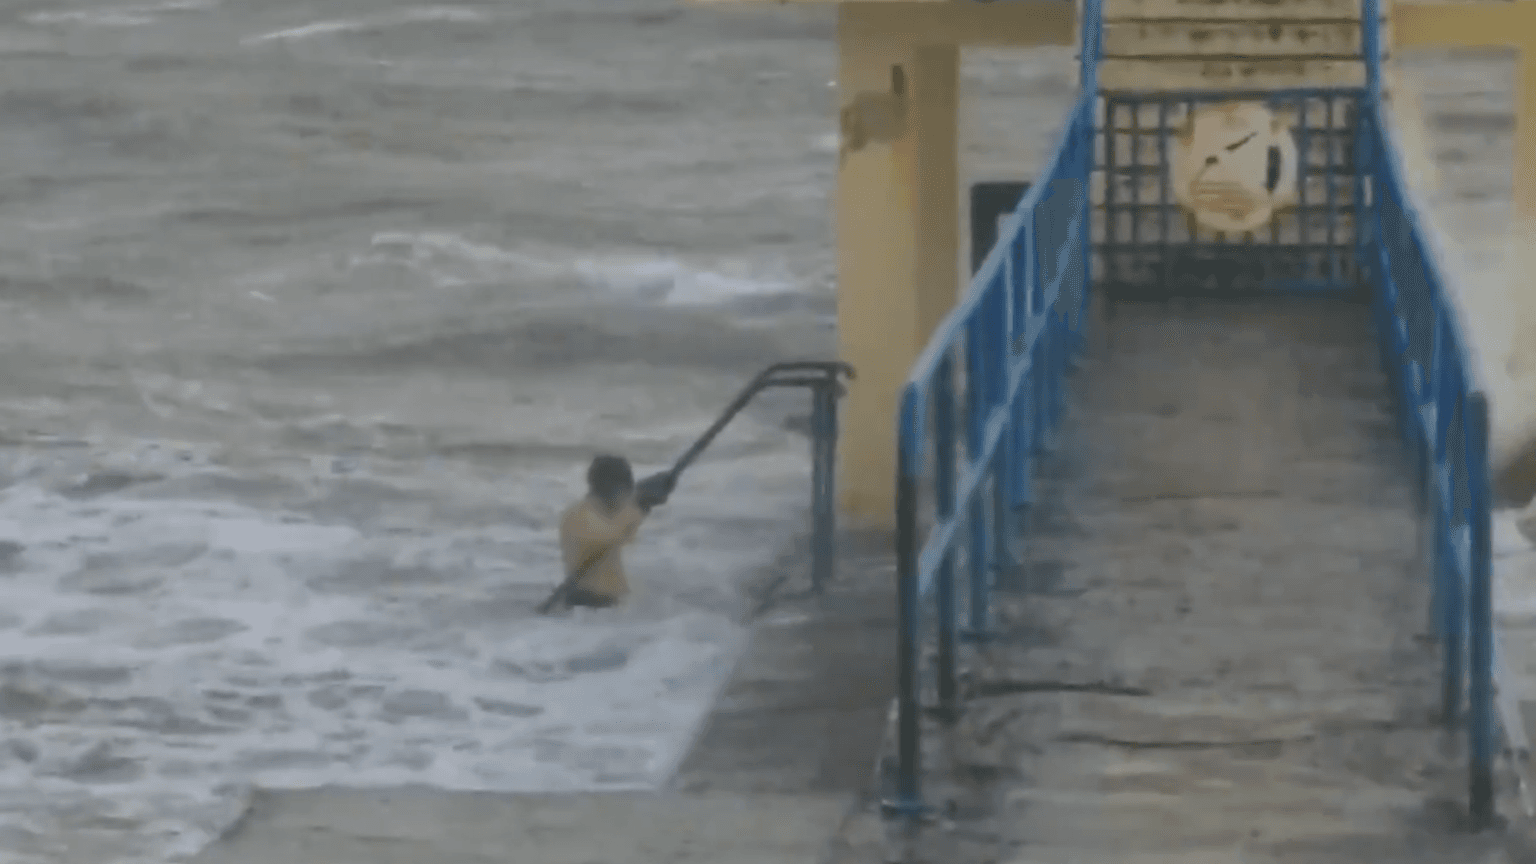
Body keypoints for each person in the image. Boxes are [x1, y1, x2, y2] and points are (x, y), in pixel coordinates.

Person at [547, 455, 675, 612]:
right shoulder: (578, 514)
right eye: (623, 491)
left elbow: (624, 534)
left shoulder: (610, 514)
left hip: (607, 609)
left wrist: (647, 500)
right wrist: (640, 504)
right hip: (586, 605)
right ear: (606, 487)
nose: (625, 497)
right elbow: (607, 537)